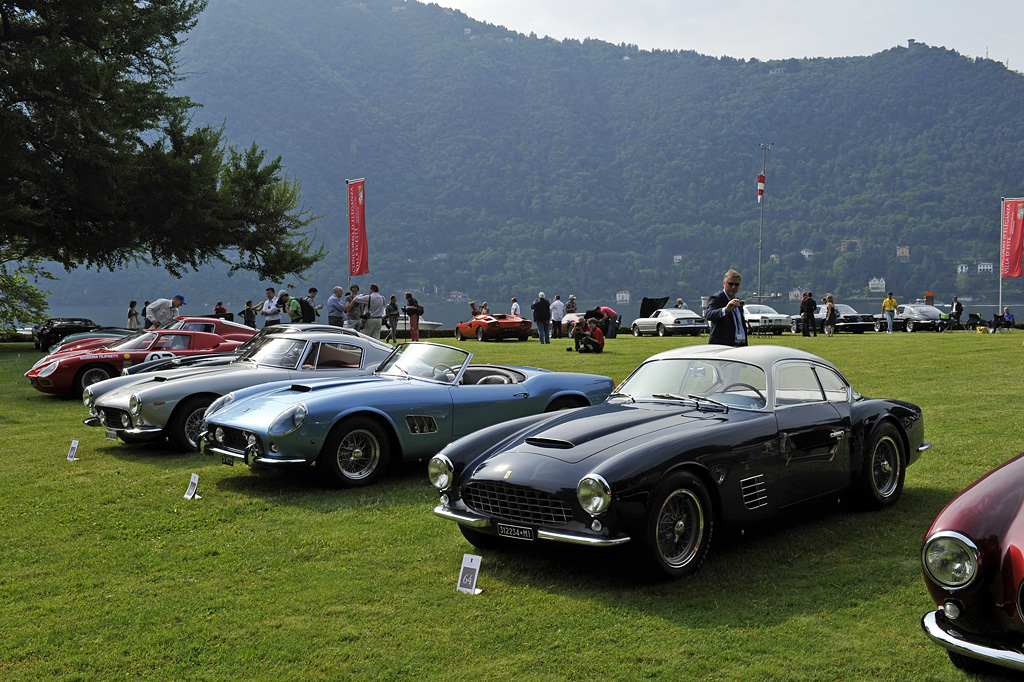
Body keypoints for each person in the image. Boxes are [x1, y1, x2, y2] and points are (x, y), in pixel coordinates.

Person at [705, 269, 748, 347]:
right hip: (722, 347)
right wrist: (726, 309)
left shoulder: (738, 301)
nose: (734, 287)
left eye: (737, 284)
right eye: (730, 284)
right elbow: (709, 314)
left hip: (740, 346)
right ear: (724, 283)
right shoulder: (716, 298)